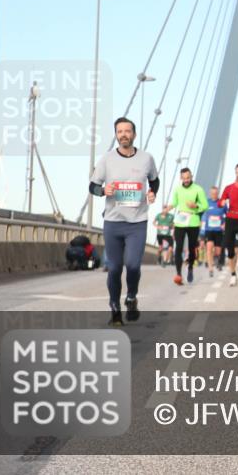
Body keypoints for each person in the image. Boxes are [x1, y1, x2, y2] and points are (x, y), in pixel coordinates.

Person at [88, 117, 160, 326]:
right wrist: (103, 190)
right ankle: (115, 309)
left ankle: (131, 297)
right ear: (116, 135)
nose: (123, 135)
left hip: (137, 222)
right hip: (113, 222)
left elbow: (154, 180)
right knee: (115, 268)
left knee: (133, 266)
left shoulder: (146, 158)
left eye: (127, 131)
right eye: (119, 132)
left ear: (134, 135)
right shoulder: (107, 159)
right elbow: (92, 186)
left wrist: (153, 192)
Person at [170, 167, 208, 285]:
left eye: (188, 177)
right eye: (184, 178)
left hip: (193, 221)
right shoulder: (177, 189)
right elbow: (175, 203)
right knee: (179, 246)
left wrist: (195, 206)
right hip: (180, 221)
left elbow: (205, 206)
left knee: (192, 248)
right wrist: (168, 207)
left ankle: (190, 267)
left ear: (191, 176)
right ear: (181, 178)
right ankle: (178, 273)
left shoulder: (198, 189)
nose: (186, 180)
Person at [201, 185, 227, 276]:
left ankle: (217, 258)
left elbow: (228, 215)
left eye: (216, 193)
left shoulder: (222, 203)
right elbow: (199, 211)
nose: (214, 195)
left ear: (218, 193)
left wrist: (225, 223)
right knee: (209, 247)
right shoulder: (206, 202)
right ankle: (210, 269)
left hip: (219, 230)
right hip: (209, 230)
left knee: (218, 251)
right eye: (212, 193)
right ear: (210, 193)